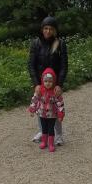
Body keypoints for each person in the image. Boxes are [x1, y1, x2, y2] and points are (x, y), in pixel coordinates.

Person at [28, 16, 68, 144]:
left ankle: (58, 135)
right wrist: (36, 84)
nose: (48, 31)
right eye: (45, 28)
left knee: (54, 107)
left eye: (51, 29)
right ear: (42, 29)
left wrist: (59, 84)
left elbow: (64, 66)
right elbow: (31, 65)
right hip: (41, 83)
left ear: (55, 30)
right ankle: (42, 131)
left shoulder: (60, 44)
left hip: (54, 83)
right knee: (41, 107)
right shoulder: (36, 43)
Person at [28, 68, 65, 152]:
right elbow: (34, 100)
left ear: (54, 81)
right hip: (42, 114)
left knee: (51, 129)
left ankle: (51, 143)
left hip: (52, 115)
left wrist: (60, 114)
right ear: (42, 81)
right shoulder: (40, 91)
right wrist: (32, 109)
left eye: (50, 81)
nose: (48, 83)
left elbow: (60, 104)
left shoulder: (55, 92)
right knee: (44, 128)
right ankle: (44, 142)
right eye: (46, 81)